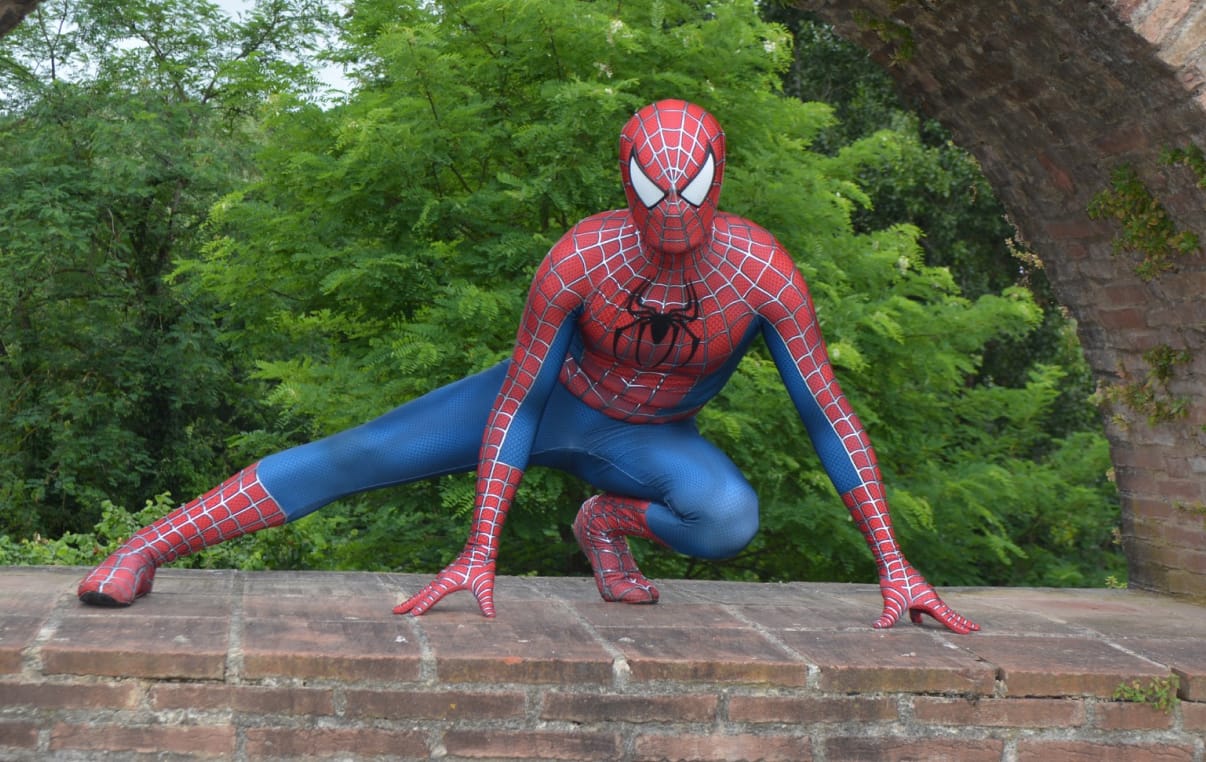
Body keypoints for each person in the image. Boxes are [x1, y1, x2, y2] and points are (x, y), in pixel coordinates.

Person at [78, 99, 979, 634]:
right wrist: (482, 550)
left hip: (649, 438)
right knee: (358, 454)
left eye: (692, 192)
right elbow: (517, 396)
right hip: (549, 404)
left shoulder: (761, 271)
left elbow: (828, 414)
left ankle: (604, 523)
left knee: (727, 519)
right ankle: (147, 545)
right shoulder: (580, 258)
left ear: (719, 179)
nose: (674, 215)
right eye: (656, 193)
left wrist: (894, 562)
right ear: (628, 179)